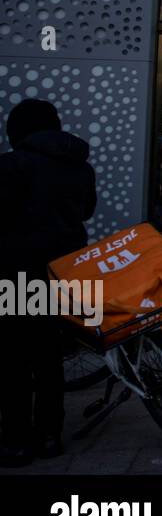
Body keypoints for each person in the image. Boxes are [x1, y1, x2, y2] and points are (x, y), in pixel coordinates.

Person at [0, 99, 97, 468]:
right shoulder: (80, 167)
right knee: (49, 355)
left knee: (13, 360)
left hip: (17, 272)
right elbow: (86, 210)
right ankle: (50, 434)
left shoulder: (12, 166)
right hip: (65, 272)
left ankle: (16, 439)